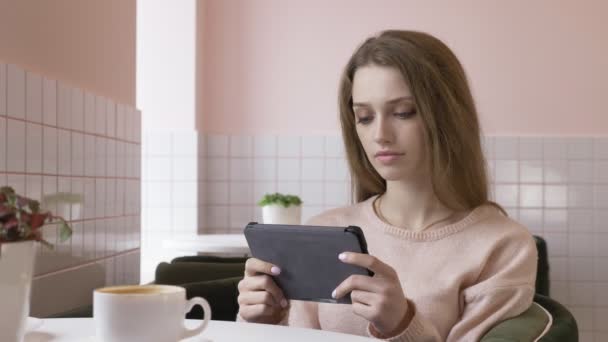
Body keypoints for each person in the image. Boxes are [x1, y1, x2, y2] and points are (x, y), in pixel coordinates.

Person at [236, 30, 537, 341]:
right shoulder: (324, 231)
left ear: (447, 116)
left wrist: (403, 324)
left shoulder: (503, 246)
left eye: (403, 112)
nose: (380, 134)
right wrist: (263, 322)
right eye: (364, 117)